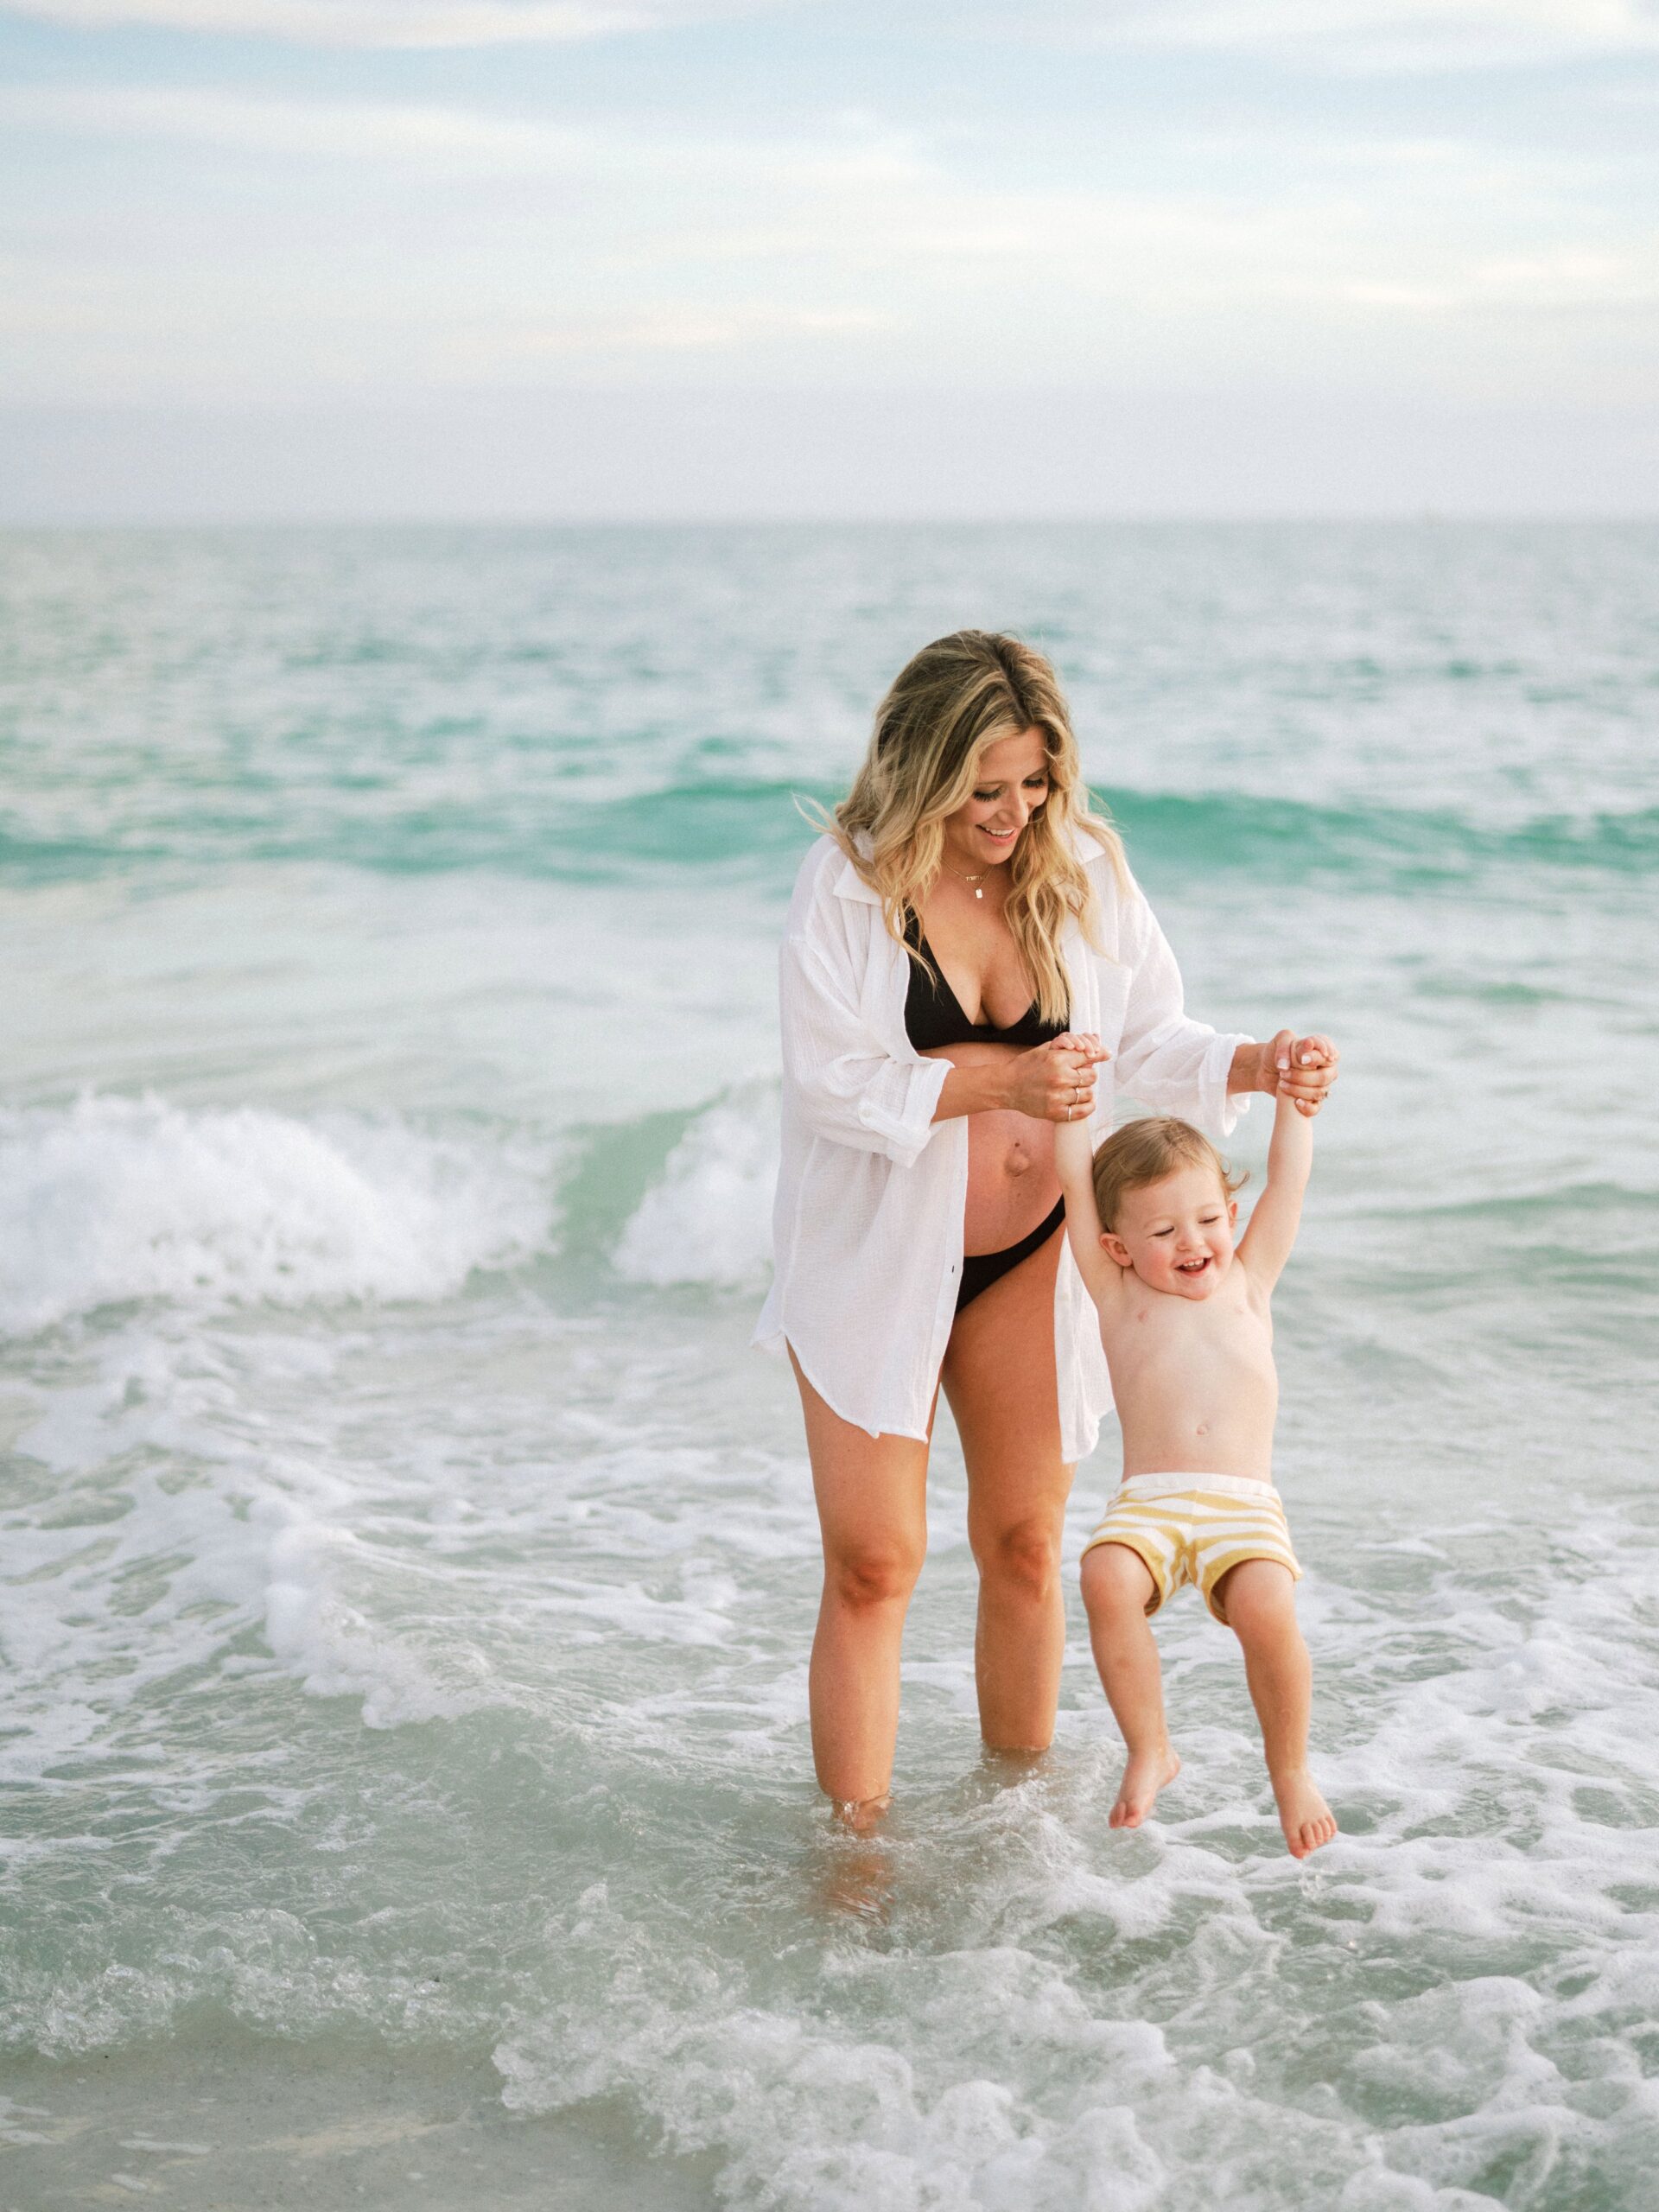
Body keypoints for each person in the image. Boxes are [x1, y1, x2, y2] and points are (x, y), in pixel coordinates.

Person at [753, 630, 1338, 1823]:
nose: (1014, 811)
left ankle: (1007, 1841)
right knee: (875, 1565)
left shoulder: (1081, 873)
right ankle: (854, 1863)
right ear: (922, 769)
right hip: (879, 1255)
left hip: (1036, 1257)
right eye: (984, 790)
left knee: (1025, 1547)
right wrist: (1001, 1084)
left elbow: (1150, 1040)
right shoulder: (850, 884)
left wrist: (1255, 1063)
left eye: (1034, 783)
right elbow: (829, 1080)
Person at [1052, 1094, 1338, 1859]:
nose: (1193, 1241)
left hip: (1243, 1506)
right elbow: (1077, 1186)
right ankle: (1151, 1748)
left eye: (1208, 1219)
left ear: (1232, 1216)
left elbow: (1291, 1183)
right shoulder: (1117, 1298)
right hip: (1150, 1502)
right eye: (1164, 1229)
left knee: (1267, 1608)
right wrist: (1070, 1104)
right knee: (1104, 1577)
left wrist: (1296, 1105)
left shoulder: (1251, 1283)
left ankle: (1291, 1772)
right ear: (1116, 1248)